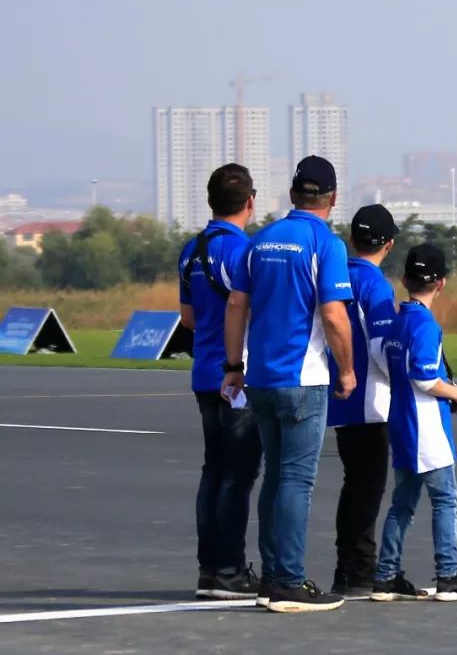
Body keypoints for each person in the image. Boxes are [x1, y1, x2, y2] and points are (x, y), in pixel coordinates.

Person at [221, 155, 355, 614]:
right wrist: (348, 369)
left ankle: (273, 577)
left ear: (293, 194)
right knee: (296, 480)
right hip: (304, 378)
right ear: (332, 198)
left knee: (275, 478)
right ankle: (288, 581)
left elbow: (236, 305)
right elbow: (335, 315)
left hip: (259, 378)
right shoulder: (326, 243)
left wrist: (233, 364)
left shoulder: (260, 241)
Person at [371, 243, 457, 602]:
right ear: (441, 283)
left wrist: (452, 388)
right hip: (427, 430)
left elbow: (389, 366)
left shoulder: (397, 322)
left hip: (402, 425)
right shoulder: (425, 324)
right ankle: (448, 575)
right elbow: (423, 377)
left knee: (402, 504)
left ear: (405, 280)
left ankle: (386, 575)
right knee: (445, 500)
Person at [178, 163, 260, 600]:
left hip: (203, 371)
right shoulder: (243, 251)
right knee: (239, 474)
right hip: (237, 374)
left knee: (213, 470)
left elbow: (187, 317)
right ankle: (230, 569)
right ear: (250, 202)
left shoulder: (191, 249)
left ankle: (209, 569)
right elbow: (248, 307)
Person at [326, 204, 399, 598]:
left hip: (339, 396)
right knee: (368, 487)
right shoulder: (376, 285)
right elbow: (383, 347)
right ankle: (359, 570)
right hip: (372, 400)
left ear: (352, 239)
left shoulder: (336, 275)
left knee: (353, 484)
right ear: (389, 244)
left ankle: (347, 567)